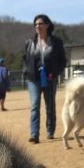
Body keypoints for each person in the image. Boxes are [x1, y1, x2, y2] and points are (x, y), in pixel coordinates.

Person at [22, 14, 66, 143]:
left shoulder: (56, 42)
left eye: (40, 24)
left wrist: (54, 73)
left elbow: (62, 61)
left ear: (47, 25)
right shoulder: (30, 42)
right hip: (33, 79)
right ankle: (34, 134)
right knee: (35, 105)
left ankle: (50, 131)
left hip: (50, 79)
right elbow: (25, 59)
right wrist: (26, 71)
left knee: (50, 106)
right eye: (35, 24)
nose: (37, 26)